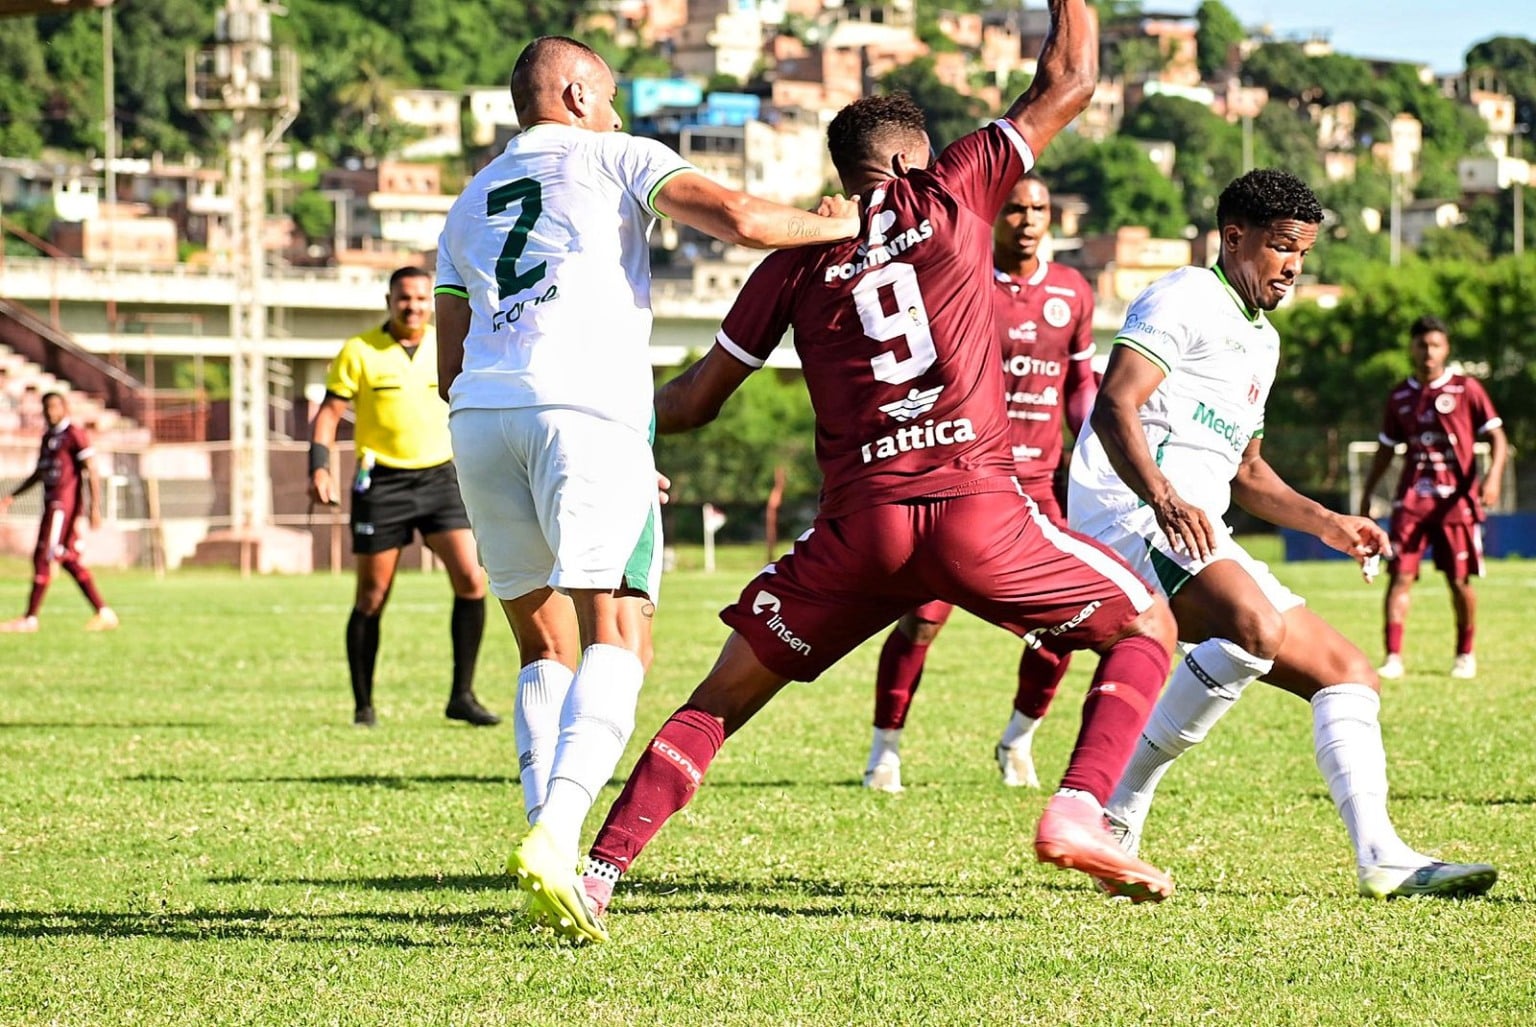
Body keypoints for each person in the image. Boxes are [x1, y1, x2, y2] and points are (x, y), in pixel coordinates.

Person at [565, 0, 1188, 946]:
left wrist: (589, 423)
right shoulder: (952, 189)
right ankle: (1076, 807)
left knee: (718, 702)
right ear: (913, 160)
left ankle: (600, 872)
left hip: (859, 533)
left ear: (841, 172)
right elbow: (1070, 79)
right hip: (979, 507)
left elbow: (692, 402)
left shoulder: (795, 255)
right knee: (1147, 624)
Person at [432, 35, 862, 938]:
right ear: (576, 94)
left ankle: (543, 828)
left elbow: (446, 362)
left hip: (479, 417)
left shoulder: (468, 201)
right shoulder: (614, 153)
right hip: (586, 408)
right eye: (612, 95)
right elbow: (739, 218)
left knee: (542, 641)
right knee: (621, 630)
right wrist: (836, 223)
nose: (619, 112)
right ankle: (558, 834)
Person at [1067, 168, 1497, 899]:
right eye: (1282, 247)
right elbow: (1115, 405)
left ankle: (1382, 857)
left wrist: (1331, 522)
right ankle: (1117, 804)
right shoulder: (1184, 295)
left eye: (1303, 252)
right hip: (1129, 513)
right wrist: (1163, 496)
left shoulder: (1262, 341)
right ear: (1235, 238)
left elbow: (1249, 472)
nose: (1294, 266)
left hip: (1196, 528)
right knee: (1254, 626)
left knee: (1348, 672)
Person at [863, 171, 1098, 794]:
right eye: (1015, 209)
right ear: (997, 217)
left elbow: (1079, 385)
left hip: (1039, 487)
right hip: (965, 475)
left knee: (1067, 621)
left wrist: (1096, 439)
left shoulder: (1073, 291)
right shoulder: (961, 280)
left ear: (1051, 219)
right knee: (923, 618)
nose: (1027, 220)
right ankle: (884, 750)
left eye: (1038, 209)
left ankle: (1019, 739)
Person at [308, 265, 497, 729]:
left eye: (419, 298)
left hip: (441, 478)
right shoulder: (359, 351)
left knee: (472, 579)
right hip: (381, 483)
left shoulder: (449, 343)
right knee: (372, 596)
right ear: (389, 301)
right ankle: (363, 707)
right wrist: (319, 466)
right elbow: (329, 414)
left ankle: (462, 696)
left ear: (430, 301)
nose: (412, 306)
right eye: (403, 298)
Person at [1357, 316, 1506, 681]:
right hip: (1412, 501)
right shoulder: (1400, 396)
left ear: (1446, 348)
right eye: (1422, 345)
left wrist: (1493, 478)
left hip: (1456, 503)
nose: (1428, 352)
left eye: (1435, 345)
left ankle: (1465, 654)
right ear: (1412, 348)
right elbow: (1386, 449)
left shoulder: (1466, 389)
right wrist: (1368, 492)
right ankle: (1393, 657)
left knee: (1459, 581)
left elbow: (1498, 438)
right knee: (1400, 577)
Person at [0, 391, 118, 633]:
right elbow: (39, 473)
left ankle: (30, 619)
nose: (50, 412)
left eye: (54, 406)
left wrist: (94, 507)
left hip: (62, 508)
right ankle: (104, 613)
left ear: (65, 408)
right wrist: (13, 495)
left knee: (43, 557)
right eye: (46, 407)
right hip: (51, 504)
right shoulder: (48, 438)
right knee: (68, 559)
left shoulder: (74, 434)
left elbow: (91, 470)